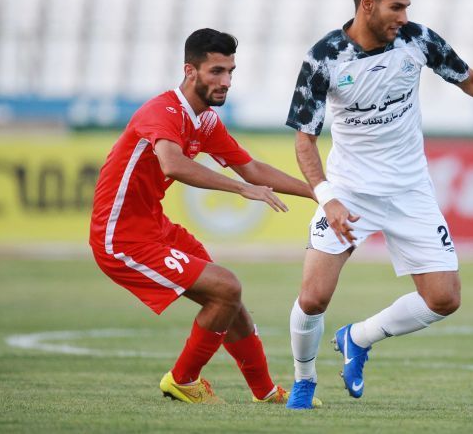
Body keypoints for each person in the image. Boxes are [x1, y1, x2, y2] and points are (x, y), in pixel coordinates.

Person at [283, 0, 473, 409]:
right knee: (314, 297)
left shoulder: (417, 40)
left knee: (443, 298)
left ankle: (359, 337)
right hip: (349, 192)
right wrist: (328, 198)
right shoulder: (325, 58)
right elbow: (304, 141)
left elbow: (470, 80)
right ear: (367, 3)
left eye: (407, 7)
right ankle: (304, 382)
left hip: (409, 189)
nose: (404, 16)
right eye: (396, 7)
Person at [89, 28, 320, 406]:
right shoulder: (162, 111)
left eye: (230, 71)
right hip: (120, 237)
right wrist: (240, 190)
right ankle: (182, 380)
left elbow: (252, 168)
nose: (226, 81)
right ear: (190, 71)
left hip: (154, 227)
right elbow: (173, 163)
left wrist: (318, 191)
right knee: (226, 288)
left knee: (229, 299)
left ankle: (265, 392)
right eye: (216, 71)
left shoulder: (205, 120)